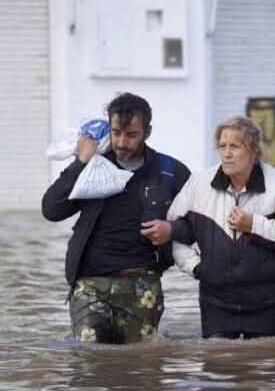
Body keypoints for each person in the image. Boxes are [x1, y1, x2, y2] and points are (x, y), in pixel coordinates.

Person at [41, 92, 191, 344]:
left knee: (140, 366)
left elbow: (199, 225)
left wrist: (172, 229)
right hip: (89, 282)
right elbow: (51, 209)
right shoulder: (93, 167)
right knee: (92, 359)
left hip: (142, 281)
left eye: (131, 134)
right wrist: (81, 162)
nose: (122, 142)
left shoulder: (169, 171)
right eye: (116, 132)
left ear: (148, 131)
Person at [166, 116, 275, 339]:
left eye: (235, 146)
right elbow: (173, 233)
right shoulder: (198, 184)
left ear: (254, 153)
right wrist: (197, 268)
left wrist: (253, 224)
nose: (226, 153)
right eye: (222, 146)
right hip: (216, 301)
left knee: (268, 370)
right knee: (219, 367)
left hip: (271, 301)